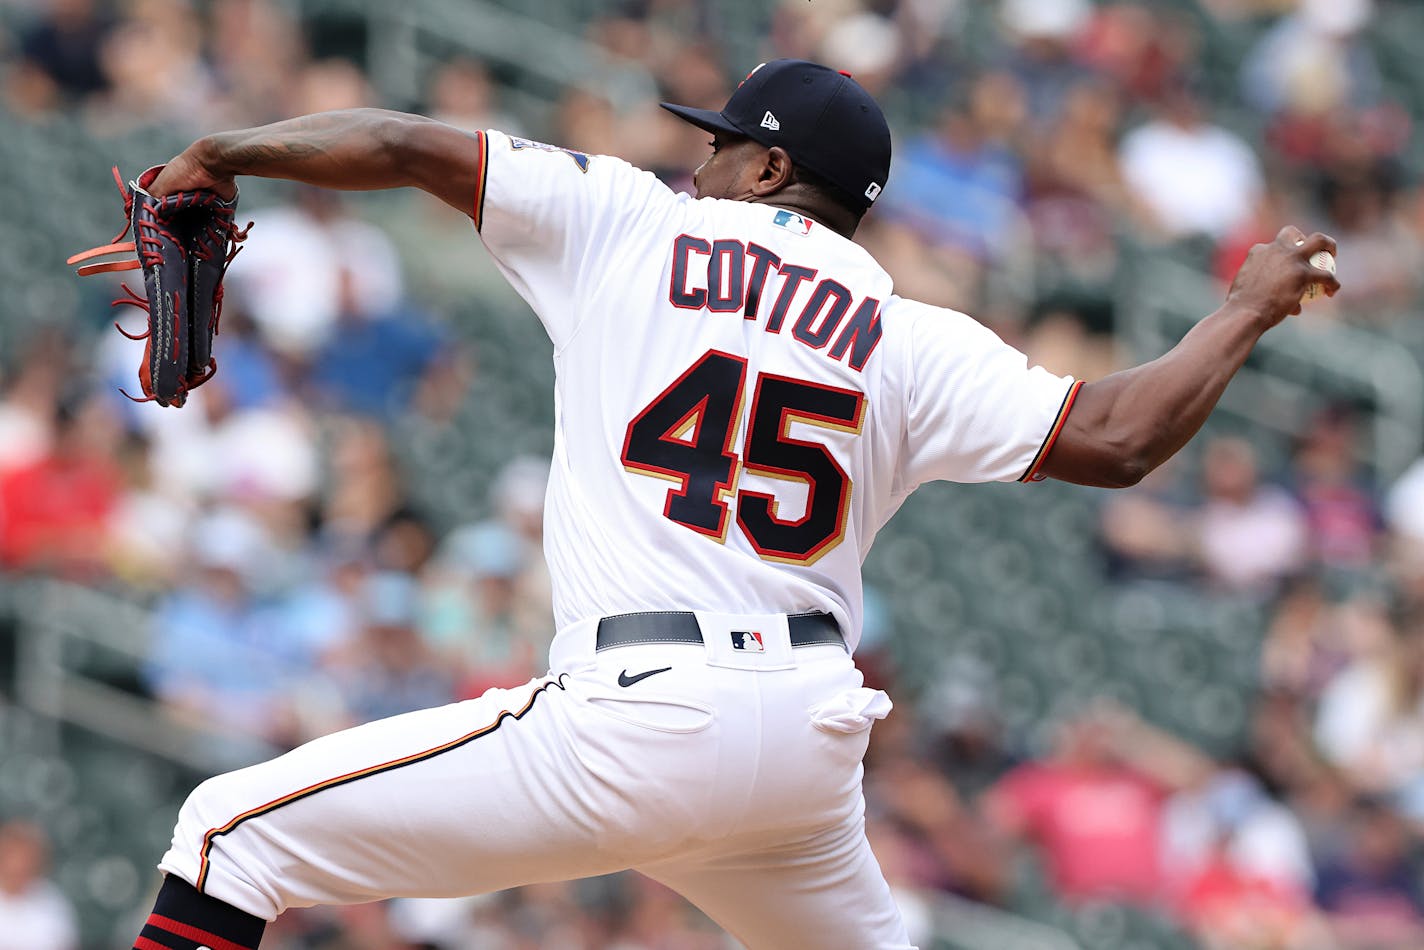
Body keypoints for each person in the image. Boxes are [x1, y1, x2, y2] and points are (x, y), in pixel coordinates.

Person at [124, 59, 1338, 950]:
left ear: (765, 168)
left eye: (717, 144)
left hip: (636, 715)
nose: (690, 160)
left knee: (231, 833)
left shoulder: (633, 225)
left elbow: (394, 140)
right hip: (801, 748)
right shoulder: (909, 336)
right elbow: (1120, 437)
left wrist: (226, 151)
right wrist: (1242, 309)